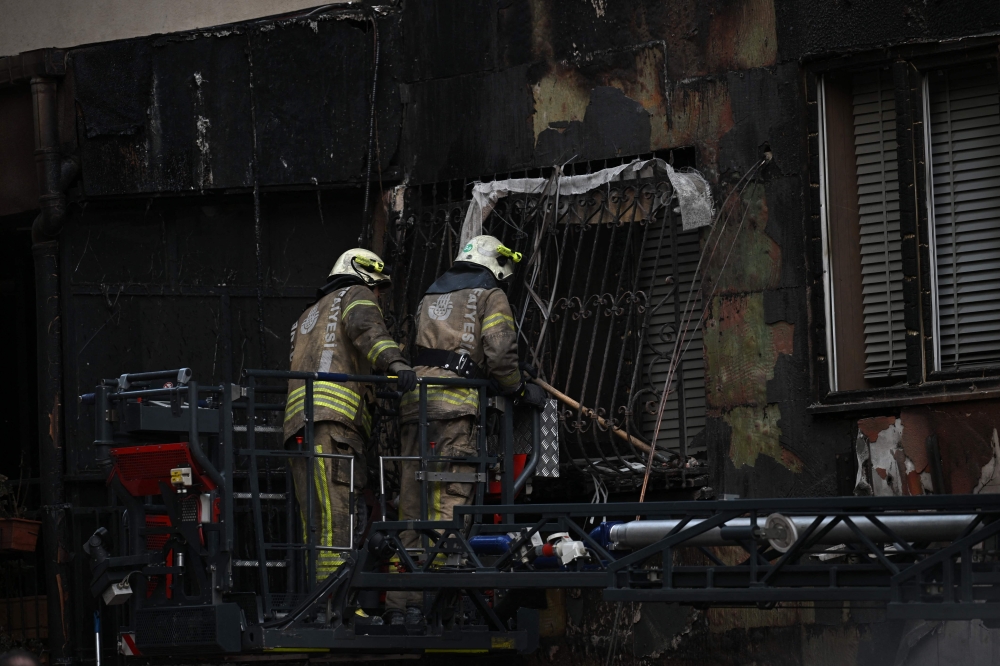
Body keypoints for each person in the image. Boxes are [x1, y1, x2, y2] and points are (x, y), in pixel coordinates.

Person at [384, 235, 546, 625]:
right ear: (496, 264)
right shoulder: (491, 294)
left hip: (415, 406)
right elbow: (499, 350)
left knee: (411, 508)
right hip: (455, 407)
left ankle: (397, 607)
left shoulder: (430, 295)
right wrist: (519, 389)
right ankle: (431, 608)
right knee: (448, 507)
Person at [283, 248, 416, 579]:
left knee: (317, 522)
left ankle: (324, 601)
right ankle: (335, 607)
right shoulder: (355, 294)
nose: (378, 297)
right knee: (338, 517)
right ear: (365, 277)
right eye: (378, 289)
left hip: (299, 428)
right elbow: (366, 330)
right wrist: (397, 365)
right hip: (334, 427)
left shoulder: (307, 315)